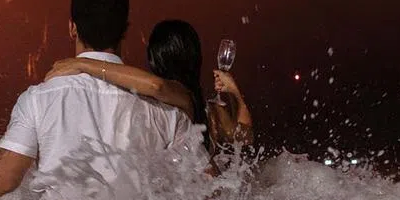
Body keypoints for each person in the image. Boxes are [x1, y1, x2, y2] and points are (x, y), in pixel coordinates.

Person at [0, 0, 196, 200]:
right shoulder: (166, 110)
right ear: (126, 30)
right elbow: (205, 188)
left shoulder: (40, 99)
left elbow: (1, 182)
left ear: (72, 27)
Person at [45, 19, 253, 160]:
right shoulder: (211, 111)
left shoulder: (170, 101)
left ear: (156, 58)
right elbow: (245, 136)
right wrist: (235, 93)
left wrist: (83, 64)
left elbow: (157, 85)